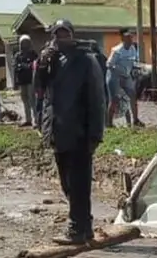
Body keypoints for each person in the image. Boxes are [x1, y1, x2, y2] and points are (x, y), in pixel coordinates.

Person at [36, 19, 106, 245]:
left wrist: (96, 134)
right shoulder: (51, 60)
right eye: (57, 34)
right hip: (57, 131)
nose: (61, 38)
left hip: (79, 132)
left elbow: (98, 100)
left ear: (73, 35)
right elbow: (40, 90)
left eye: (65, 33)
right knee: (66, 183)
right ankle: (85, 226)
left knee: (78, 183)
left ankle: (76, 229)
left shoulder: (86, 60)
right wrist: (41, 64)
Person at [106, 28, 143, 127]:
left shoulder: (133, 49)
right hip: (114, 77)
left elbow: (133, 62)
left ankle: (135, 120)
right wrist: (119, 74)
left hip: (126, 76)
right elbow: (109, 64)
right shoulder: (117, 50)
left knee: (132, 96)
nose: (130, 40)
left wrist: (137, 69)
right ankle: (109, 123)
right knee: (115, 99)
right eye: (128, 38)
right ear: (123, 39)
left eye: (131, 37)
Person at [13, 35, 38, 128]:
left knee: (32, 100)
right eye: (23, 43)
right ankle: (28, 119)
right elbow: (15, 68)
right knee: (25, 100)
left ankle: (36, 120)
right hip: (21, 81)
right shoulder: (17, 55)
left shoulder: (33, 54)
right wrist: (15, 82)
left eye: (26, 42)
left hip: (31, 80)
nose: (25, 44)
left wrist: (26, 66)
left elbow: (35, 65)